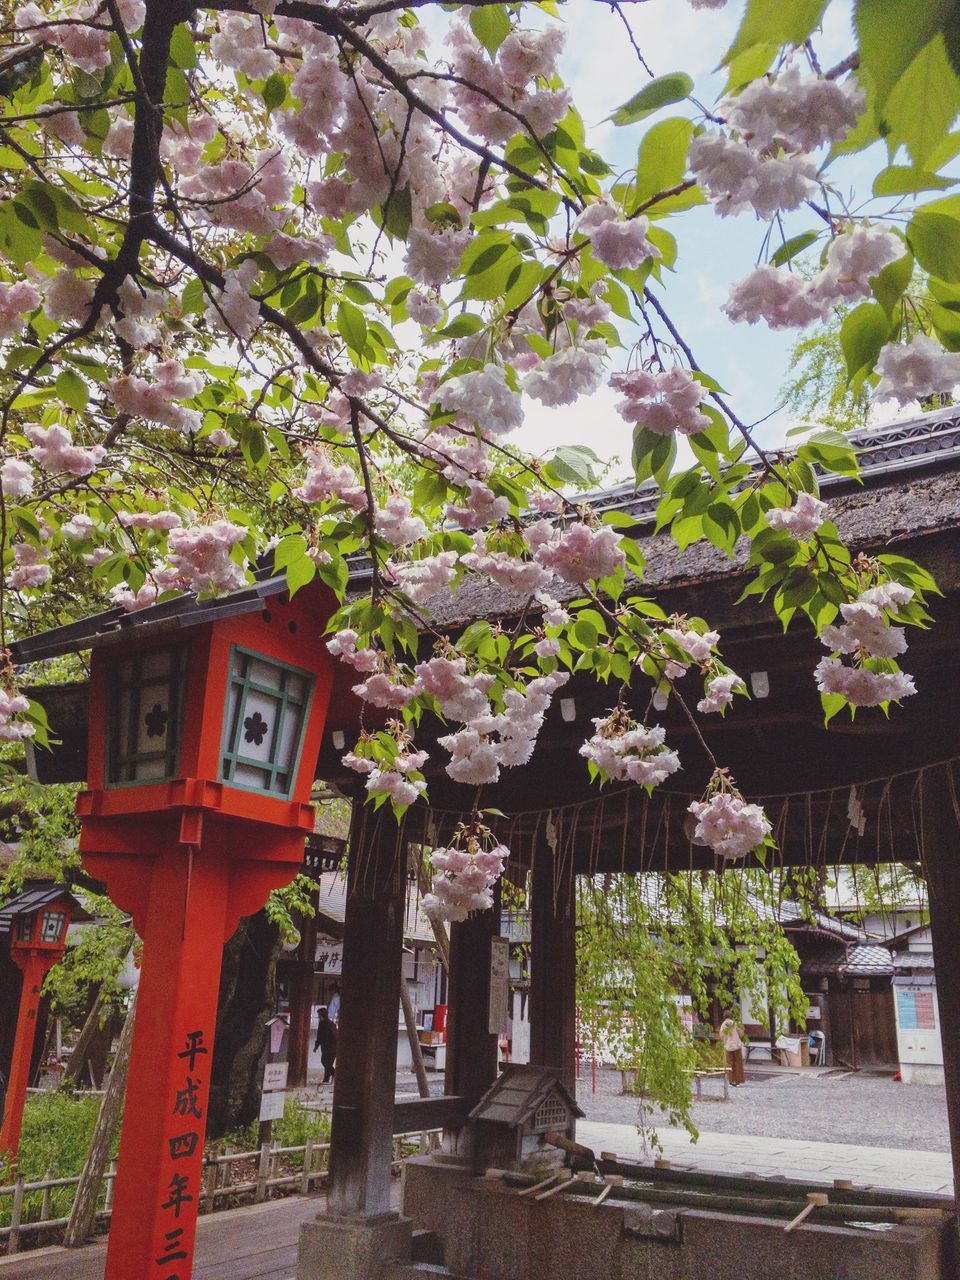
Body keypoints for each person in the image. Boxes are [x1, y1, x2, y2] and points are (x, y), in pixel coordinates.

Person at [719, 1012, 745, 1087]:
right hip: (736, 1045)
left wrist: (725, 1041)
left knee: (729, 1063)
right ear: (731, 1016)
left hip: (728, 1046)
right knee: (738, 1063)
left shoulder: (723, 1025)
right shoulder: (735, 1023)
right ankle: (738, 1082)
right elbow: (741, 1034)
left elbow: (721, 1035)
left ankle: (731, 1081)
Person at [313, 1005, 337, 1084]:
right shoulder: (322, 1024)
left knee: (325, 1062)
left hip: (332, 1047)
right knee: (327, 1062)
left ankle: (334, 1074)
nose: (318, 1016)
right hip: (326, 1047)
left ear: (322, 1015)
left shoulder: (330, 1024)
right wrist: (316, 1046)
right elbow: (319, 1036)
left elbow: (335, 1035)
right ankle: (326, 1079)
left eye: (319, 1015)